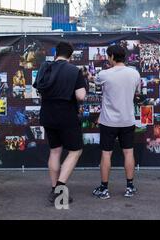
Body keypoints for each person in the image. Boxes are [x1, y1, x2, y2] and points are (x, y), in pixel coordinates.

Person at [33, 42, 87, 205]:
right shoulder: (74, 71)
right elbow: (81, 96)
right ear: (70, 56)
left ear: (56, 53)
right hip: (66, 115)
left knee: (55, 151)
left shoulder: (46, 68)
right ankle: (59, 188)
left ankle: (54, 188)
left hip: (48, 115)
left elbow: (39, 88)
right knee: (75, 151)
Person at [92, 45, 141, 200]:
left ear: (112, 56)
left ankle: (104, 189)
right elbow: (137, 92)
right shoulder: (134, 74)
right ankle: (130, 187)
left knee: (106, 154)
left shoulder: (104, 74)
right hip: (127, 120)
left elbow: (95, 83)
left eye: (108, 56)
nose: (107, 58)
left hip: (109, 122)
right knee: (128, 152)